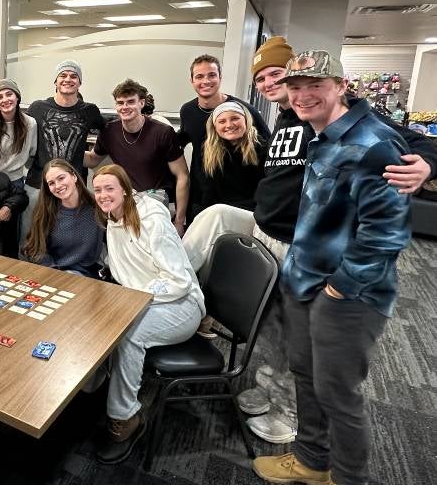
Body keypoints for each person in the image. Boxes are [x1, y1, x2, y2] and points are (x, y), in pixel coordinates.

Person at [181, 36, 436, 445]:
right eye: (262, 78)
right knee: (265, 320)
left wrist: (425, 162)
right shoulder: (284, 116)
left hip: (299, 242)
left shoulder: (328, 115)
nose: (270, 83)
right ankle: (261, 381)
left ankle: (290, 414)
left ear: (334, 86)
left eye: (276, 74)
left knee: (295, 335)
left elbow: (415, 141)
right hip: (265, 228)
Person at [253, 50, 412, 485]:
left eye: (316, 86)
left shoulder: (373, 143)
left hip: (348, 295)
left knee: (338, 394)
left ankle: (347, 478)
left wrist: (338, 289)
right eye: (296, 87)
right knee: (306, 378)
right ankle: (311, 461)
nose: (303, 96)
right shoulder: (320, 134)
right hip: (306, 282)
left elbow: (385, 235)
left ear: (341, 87)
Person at [90, 164, 204, 465]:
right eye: (98, 189)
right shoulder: (112, 220)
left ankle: (125, 418)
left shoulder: (151, 220)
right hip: (144, 301)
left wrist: (134, 301)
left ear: (126, 190)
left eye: (109, 188)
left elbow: (178, 282)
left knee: (127, 334)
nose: (103, 195)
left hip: (181, 305)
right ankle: (99, 388)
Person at [84, 79, 189, 235]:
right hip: (126, 194)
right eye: (120, 103)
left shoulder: (162, 132)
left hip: (155, 196)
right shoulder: (109, 131)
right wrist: (70, 147)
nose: (125, 107)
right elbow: (93, 159)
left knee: (143, 234)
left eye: (130, 102)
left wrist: (180, 221)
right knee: (101, 222)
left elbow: (182, 176)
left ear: (142, 103)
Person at [21, 59, 105, 243]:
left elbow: (110, 132)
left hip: (72, 188)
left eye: (74, 76)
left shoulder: (89, 111)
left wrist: (97, 155)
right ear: (55, 81)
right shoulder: (38, 108)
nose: (68, 79)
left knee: (66, 241)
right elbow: (18, 129)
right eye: (63, 75)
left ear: (80, 82)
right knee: (30, 238)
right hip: (38, 185)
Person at [179, 54, 270, 222]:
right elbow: (178, 142)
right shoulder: (187, 111)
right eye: (199, 76)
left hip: (246, 203)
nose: (206, 81)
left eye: (212, 75)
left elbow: (270, 158)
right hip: (203, 196)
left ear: (220, 77)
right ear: (191, 80)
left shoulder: (247, 111)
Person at [22, 159, 104, 277]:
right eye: (51, 183)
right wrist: (55, 271)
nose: (58, 186)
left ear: (74, 177)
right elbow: (33, 249)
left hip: (92, 274)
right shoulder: (46, 212)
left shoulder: (98, 207)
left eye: (61, 178)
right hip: (57, 272)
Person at [198, 101, 265, 212]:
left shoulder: (262, 148)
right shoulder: (209, 151)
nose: (229, 125)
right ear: (215, 127)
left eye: (235, 118)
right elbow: (208, 192)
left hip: (252, 212)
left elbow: (264, 193)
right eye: (222, 121)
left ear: (246, 120)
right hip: (219, 213)